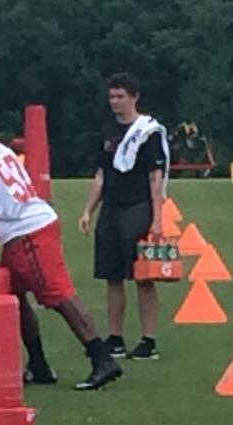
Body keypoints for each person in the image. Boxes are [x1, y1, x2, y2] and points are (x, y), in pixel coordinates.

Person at [0, 103, 122, 390]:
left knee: (59, 296)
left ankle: (101, 358)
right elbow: (4, 196)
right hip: (26, 227)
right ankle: (39, 364)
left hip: (28, 234)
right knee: (13, 298)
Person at [79, 72, 169, 360]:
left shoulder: (148, 133)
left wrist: (157, 219)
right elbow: (101, 175)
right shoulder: (107, 132)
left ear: (134, 97)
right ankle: (115, 337)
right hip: (111, 208)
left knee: (143, 277)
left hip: (138, 206)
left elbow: (156, 179)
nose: (115, 102)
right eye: (112, 97)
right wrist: (87, 211)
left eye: (121, 97)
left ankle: (148, 340)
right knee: (112, 276)